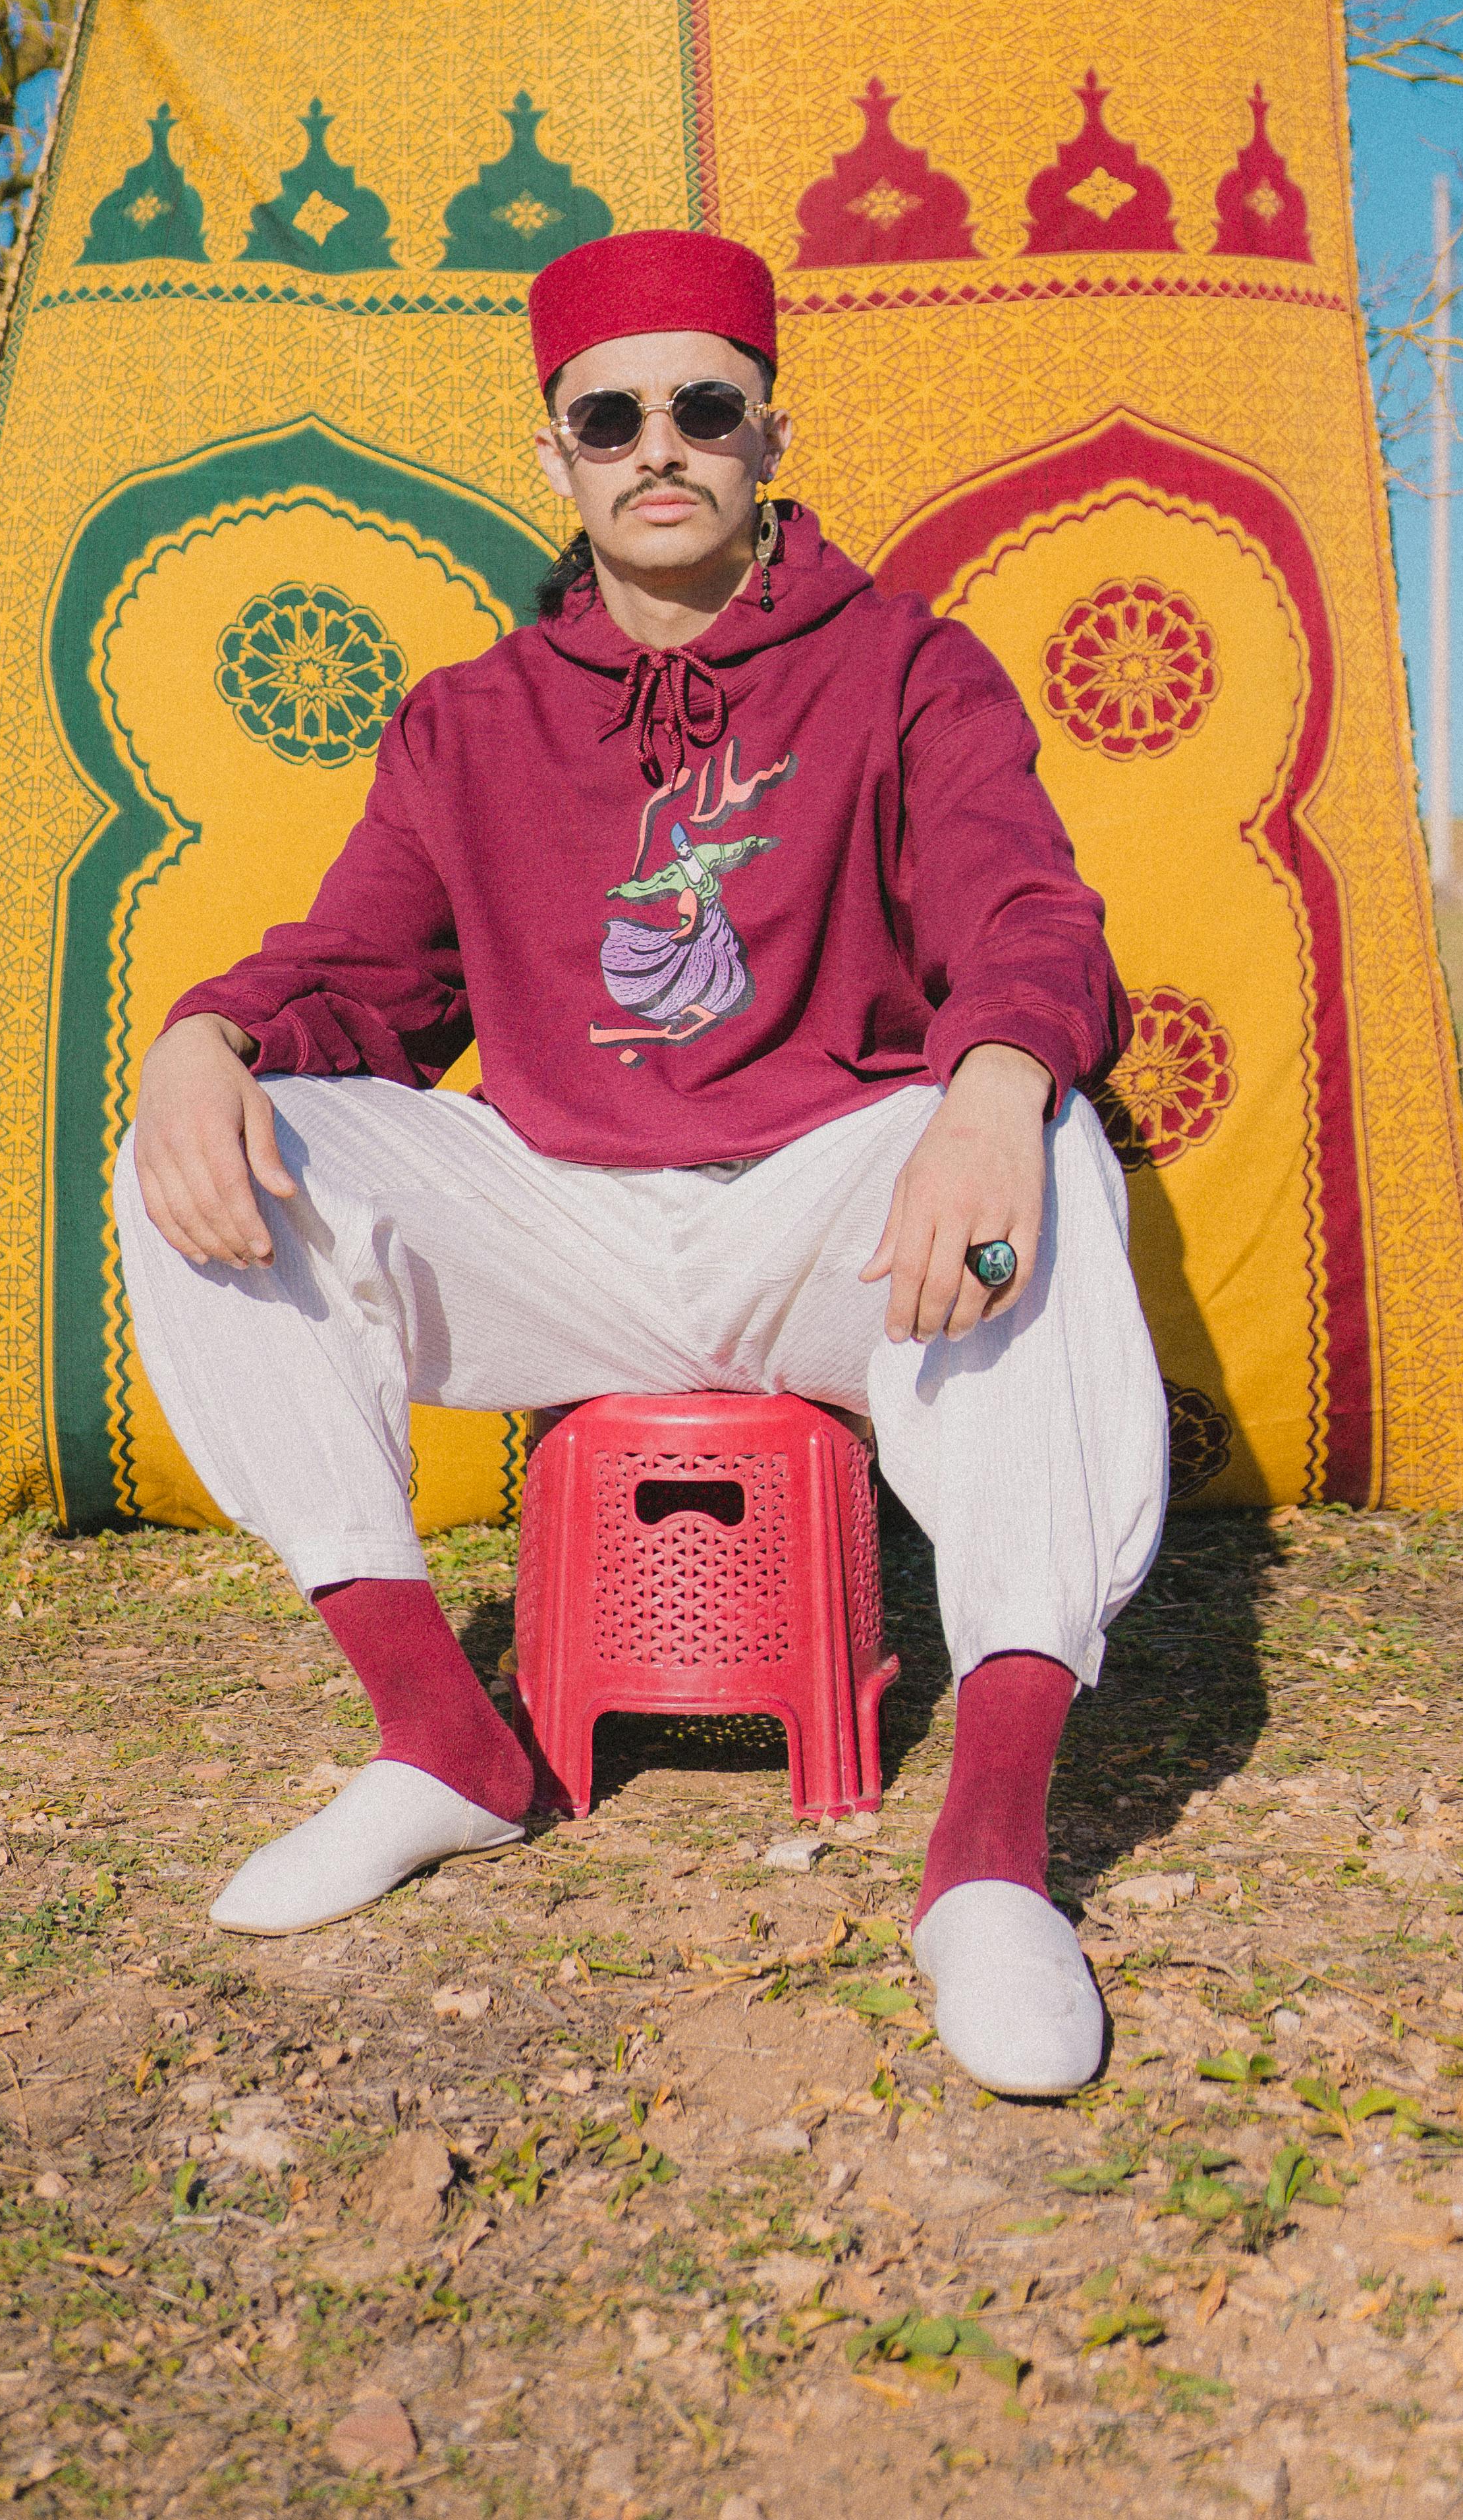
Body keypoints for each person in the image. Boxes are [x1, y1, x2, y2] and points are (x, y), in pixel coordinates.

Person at [115, 225, 1169, 2096]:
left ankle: (991, 1860)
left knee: (1050, 1147)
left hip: (825, 1215)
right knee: (200, 1133)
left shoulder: (910, 669)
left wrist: (993, 1089)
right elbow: (357, 974)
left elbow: (1028, 913)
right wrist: (201, 1039)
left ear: (769, 432)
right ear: (559, 455)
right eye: (613, 416)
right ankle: (445, 1746)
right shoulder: (471, 722)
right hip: (569, 1222)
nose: (657, 444)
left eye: (703, 408)